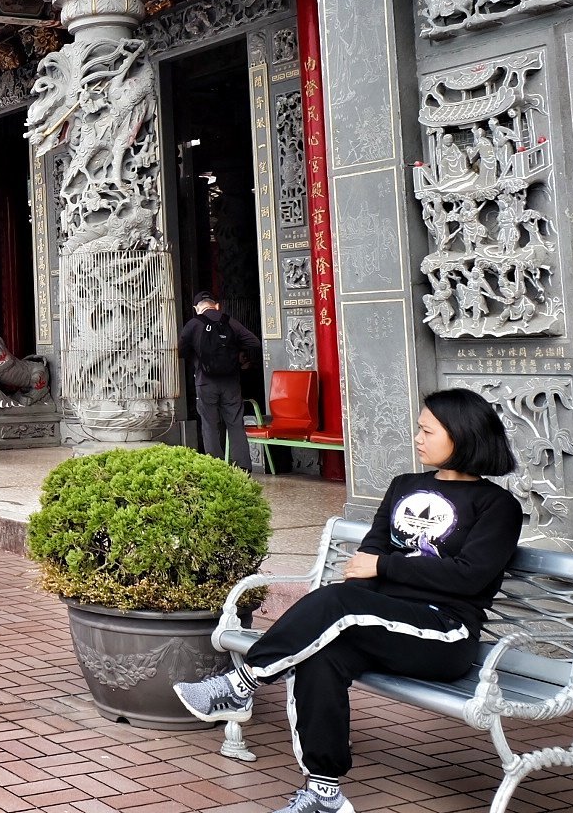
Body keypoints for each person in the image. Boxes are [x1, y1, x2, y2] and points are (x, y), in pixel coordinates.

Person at [174, 388, 522, 813]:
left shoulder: (497, 505)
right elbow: (369, 554)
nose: (417, 438)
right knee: (322, 656)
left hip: (444, 633)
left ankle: (242, 685)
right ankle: (324, 795)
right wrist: (381, 568)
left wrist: (386, 569)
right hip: (376, 623)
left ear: (462, 435)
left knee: (338, 601)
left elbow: (470, 577)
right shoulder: (404, 486)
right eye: (419, 428)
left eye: (427, 430)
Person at [177, 291, 262, 472]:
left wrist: (199, 355)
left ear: (196, 308)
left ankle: (215, 469)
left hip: (205, 382)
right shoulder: (230, 321)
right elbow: (254, 342)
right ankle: (244, 468)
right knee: (235, 423)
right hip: (231, 382)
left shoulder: (194, 324)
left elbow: (181, 352)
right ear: (215, 305)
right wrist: (233, 352)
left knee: (209, 424)